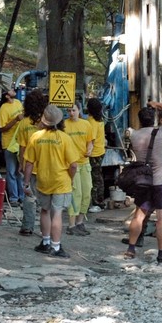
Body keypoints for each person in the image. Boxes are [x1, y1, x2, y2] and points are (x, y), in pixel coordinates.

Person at [123, 100, 162, 263]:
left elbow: (128, 135)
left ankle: (131, 249)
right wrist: (159, 105)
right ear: (154, 119)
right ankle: (161, 254)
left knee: (138, 216)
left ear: (140, 119)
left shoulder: (134, 135)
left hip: (143, 181)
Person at [22, 105, 81, 259]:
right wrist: (71, 177)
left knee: (44, 210)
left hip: (43, 180)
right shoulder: (65, 138)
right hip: (61, 181)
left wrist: (26, 183)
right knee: (58, 213)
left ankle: (45, 242)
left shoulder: (36, 137)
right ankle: (56, 246)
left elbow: (28, 163)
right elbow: (73, 165)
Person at [15, 90, 48, 236]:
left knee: (29, 196)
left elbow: (22, 147)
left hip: (30, 165)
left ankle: (27, 227)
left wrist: (21, 164)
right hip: (47, 165)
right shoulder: (47, 121)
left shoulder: (23, 123)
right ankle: (45, 229)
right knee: (46, 199)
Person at [64, 101, 94, 236]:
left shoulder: (86, 124)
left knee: (87, 193)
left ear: (79, 110)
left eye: (74, 110)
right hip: (71, 164)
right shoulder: (64, 125)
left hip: (85, 163)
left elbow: (90, 141)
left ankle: (80, 222)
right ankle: (71, 225)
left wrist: (89, 150)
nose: (71, 113)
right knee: (76, 194)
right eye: (69, 111)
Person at [0, 83, 24, 208]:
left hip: (19, 141)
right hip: (9, 144)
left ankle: (22, 196)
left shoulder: (18, 102)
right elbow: (2, 128)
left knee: (20, 171)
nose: (14, 90)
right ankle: (13, 197)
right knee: (12, 171)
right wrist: (15, 120)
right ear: (7, 95)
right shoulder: (3, 109)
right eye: (11, 90)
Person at [86, 98, 107, 211]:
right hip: (100, 151)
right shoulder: (100, 120)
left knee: (94, 179)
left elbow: (91, 139)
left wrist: (87, 152)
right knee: (98, 177)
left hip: (93, 153)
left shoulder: (91, 122)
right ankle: (99, 201)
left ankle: (97, 203)